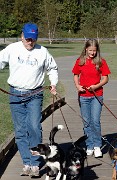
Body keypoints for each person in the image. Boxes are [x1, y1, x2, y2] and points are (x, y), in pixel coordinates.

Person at [0, 23, 58, 176]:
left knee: (33, 127)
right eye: (27, 38)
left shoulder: (42, 52)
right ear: (22, 36)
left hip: (35, 94)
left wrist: (53, 83)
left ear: (36, 38)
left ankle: (34, 164)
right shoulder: (12, 49)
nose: (30, 42)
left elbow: (52, 68)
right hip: (15, 94)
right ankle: (26, 163)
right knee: (20, 130)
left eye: (33, 39)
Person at [72, 39, 111, 158]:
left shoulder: (101, 62)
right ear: (86, 49)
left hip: (96, 95)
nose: (92, 53)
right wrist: (78, 86)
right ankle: (89, 145)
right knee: (87, 122)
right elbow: (75, 75)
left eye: (94, 50)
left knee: (95, 121)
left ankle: (97, 146)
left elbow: (105, 79)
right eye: (90, 50)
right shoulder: (80, 61)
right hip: (83, 96)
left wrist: (96, 86)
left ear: (97, 50)